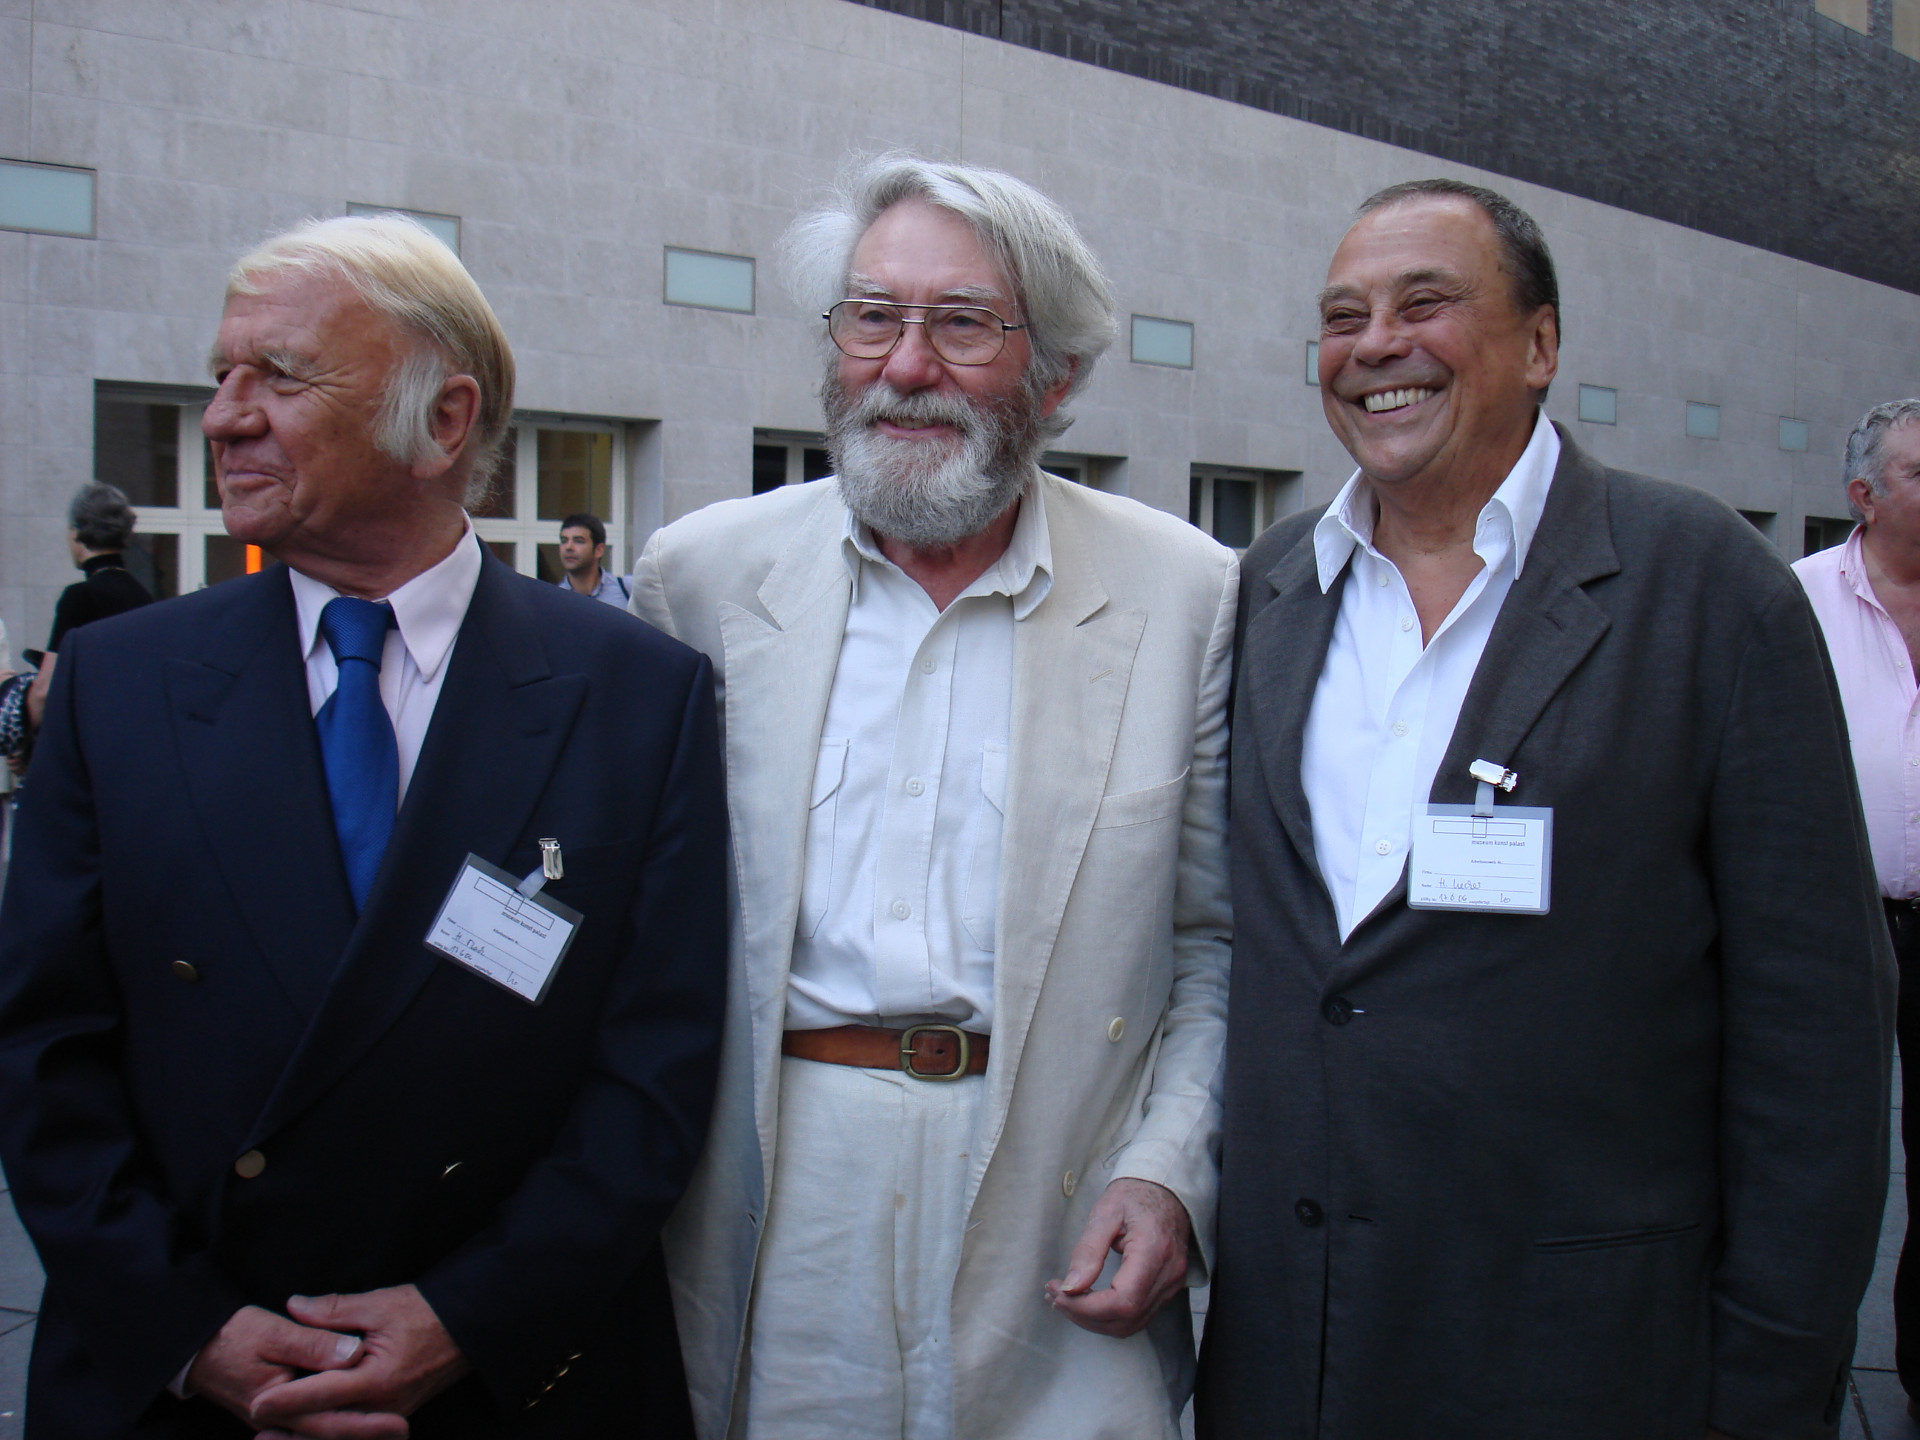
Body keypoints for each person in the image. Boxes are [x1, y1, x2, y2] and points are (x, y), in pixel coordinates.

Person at [0, 213, 728, 1439]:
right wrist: (190, 1331)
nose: (225, 416)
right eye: (223, 374)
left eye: (280, 378)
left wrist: (468, 1316)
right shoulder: (116, 683)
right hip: (180, 1387)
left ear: (443, 422)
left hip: (507, 1383)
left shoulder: (636, 693)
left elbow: (655, 1068)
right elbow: (42, 1055)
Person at [1197, 178, 1893, 1440]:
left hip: (1586, 1361)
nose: (1375, 346)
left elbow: (1817, 1042)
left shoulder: (1705, 593)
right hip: (1291, 1352)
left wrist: (1774, 1379)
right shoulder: (1266, 591)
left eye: (1427, 303)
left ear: (1541, 345)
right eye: (1342, 316)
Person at [634, 154, 1235, 1440]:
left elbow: (1216, 944)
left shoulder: (1189, 596)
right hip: (779, 1206)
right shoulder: (699, 582)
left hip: (1061, 1213)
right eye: (871, 316)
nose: (905, 366)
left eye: (963, 324)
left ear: (1059, 376)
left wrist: (1169, 1172)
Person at [1795, 397, 1920, 1418]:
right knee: (1824, 1162)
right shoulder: (1794, 601)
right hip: (1834, 924)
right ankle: (1803, 1377)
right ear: (1863, 498)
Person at [2, 483, 156, 766]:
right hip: (128, 748)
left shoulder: (80, 597)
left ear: (76, 533)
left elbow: (45, 690)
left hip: (85, 750)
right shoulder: (143, 596)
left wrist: (27, 745)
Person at [555, 512, 631, 608]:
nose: (568, 547)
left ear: (599, 550)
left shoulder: (627, 589)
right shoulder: (554, 598)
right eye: (564, 541)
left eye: (578, 541)